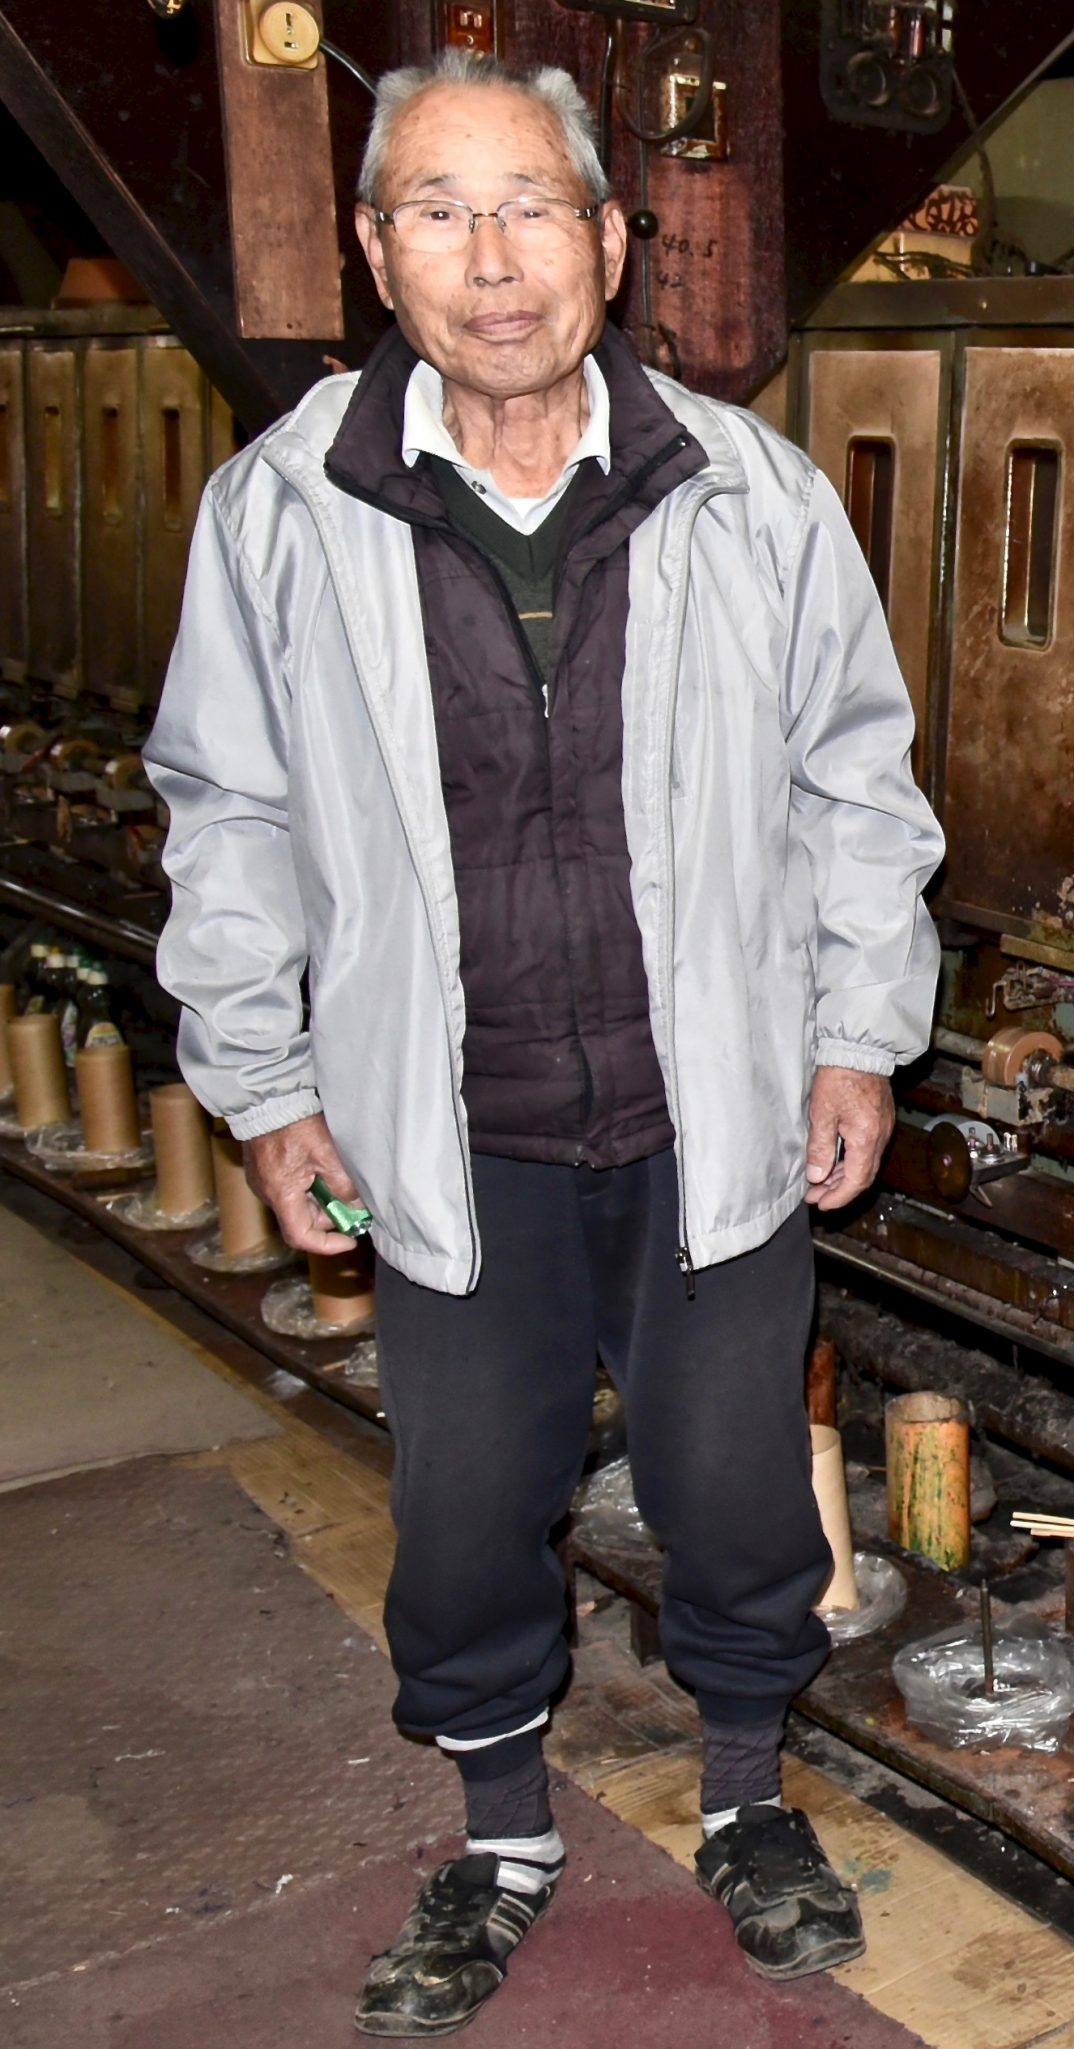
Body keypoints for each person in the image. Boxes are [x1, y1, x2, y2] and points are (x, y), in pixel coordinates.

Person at [145, 48, 944, 2038]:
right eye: (440, 212)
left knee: (740, 1493)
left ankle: (748, 1798)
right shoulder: (285, 509)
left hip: (710, 1110)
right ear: (375, 251)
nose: (491, 261)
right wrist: (266, 1084)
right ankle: (502, 1833)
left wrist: (859, 1033)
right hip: (445, 1127)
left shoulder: (750, 496)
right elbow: (227, 809)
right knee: (464, 1508)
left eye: (530, 210)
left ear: (607, 239)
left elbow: (857, 784)